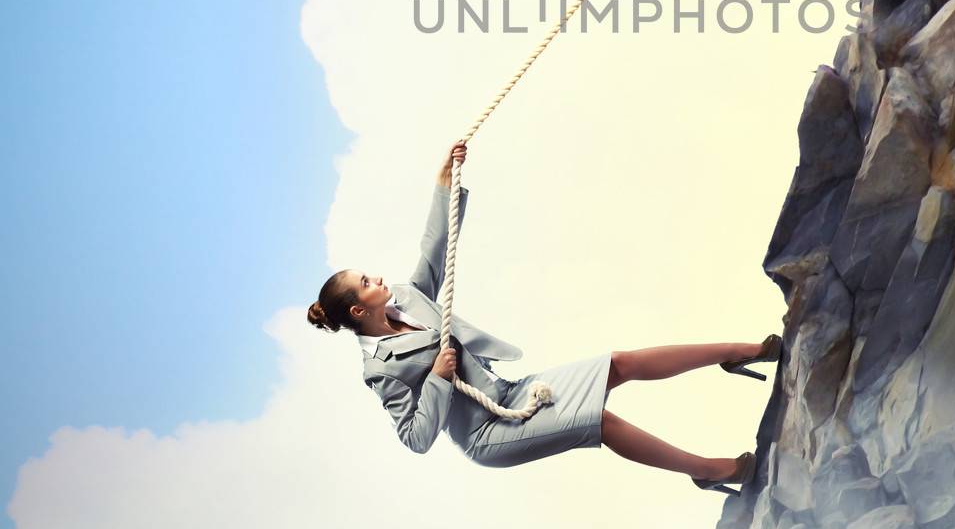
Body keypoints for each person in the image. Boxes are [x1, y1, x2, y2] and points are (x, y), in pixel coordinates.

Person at [307, 140, 781, 494]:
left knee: (619, 362)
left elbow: (434, 251)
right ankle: (709, 469)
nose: (378, 279)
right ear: (356, 310)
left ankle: (742, 352)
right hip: (489, 434)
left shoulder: (408, 298)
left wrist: (444, 184)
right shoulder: (380, 369)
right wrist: (435, 377)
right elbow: (414, 438)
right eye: (367, 282)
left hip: (514, 393)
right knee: (601, 420)